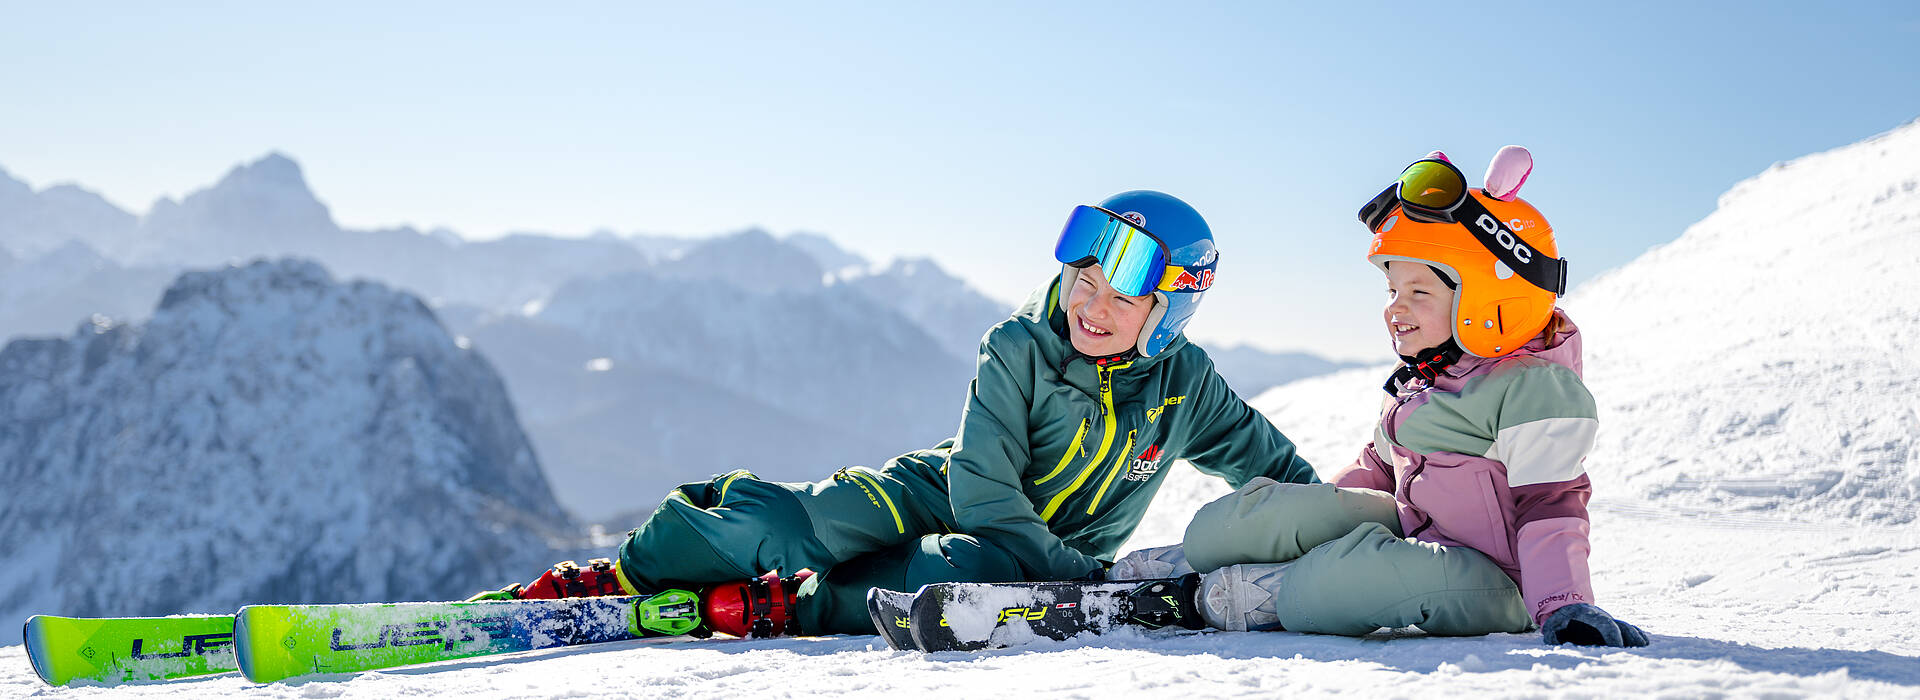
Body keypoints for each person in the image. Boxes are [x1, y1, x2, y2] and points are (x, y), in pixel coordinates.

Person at [471, 190, 1320, 638]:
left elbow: (1277, 474)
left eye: (1117, 295)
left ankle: (780, 608)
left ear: (1168, 314)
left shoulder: (1186, 388)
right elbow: (984, 490)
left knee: (963, 588)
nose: (1088, 307)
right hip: (937, 493)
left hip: (1016, 561)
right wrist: (1078, 576)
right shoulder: (1018, 346)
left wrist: (1340, 526)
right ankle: (622, 575)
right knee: (786, 527)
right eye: (1080, 281)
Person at [1113, 147, 1649, 647]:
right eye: (1392, 290)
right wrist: (1300, 522)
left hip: (1500, 579)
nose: (1395, 307)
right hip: (1420, 534)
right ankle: (1189, 560)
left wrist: (1563, 603)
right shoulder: (1428, 376)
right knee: (1258, 515)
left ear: (1490, 299)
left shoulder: (1536, 388)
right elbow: (1376, 472)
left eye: (1420, 291)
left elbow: (1551, 503)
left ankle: (1238, 596)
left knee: (1346, 577)